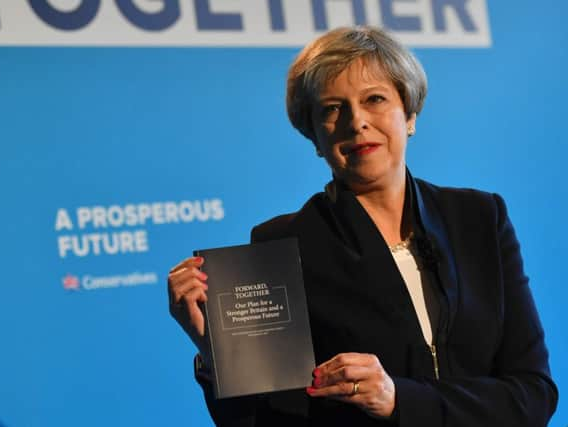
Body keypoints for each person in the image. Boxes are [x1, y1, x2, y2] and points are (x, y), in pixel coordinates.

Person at [168, 26, 558, 426]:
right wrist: (222, 355)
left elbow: (533, 394)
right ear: (315, 137)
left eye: (374, 99)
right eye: (332, 109)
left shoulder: (480, 217)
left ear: (409, 115)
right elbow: (267, 421)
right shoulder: (281, 244)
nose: (356, 122)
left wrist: (399, 400)